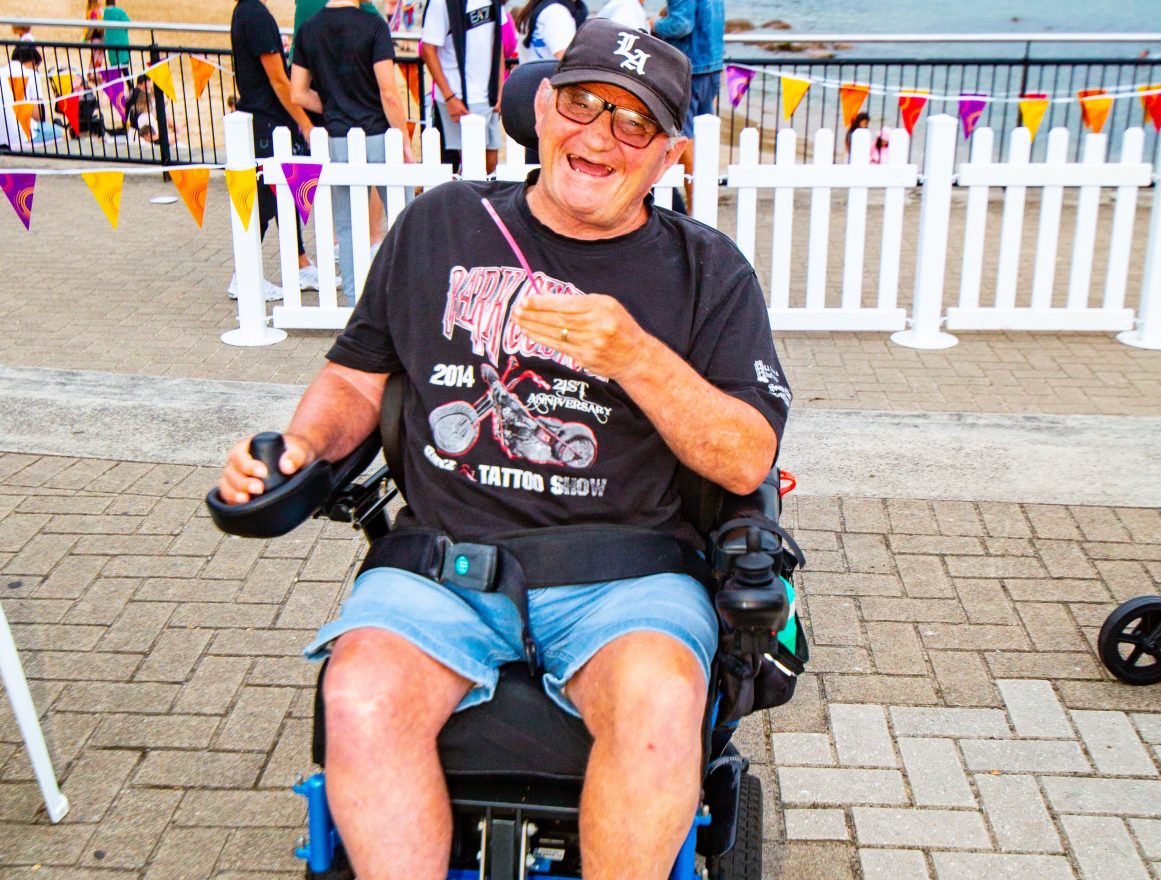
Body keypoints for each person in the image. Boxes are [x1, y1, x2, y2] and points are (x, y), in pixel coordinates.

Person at [218, 18, 789, 878]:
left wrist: (630, 353)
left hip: (629, 577)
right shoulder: (440, 224)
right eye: (581, 103)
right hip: (445, 564)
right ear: (542, 110)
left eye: (632, 122)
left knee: (661, 702)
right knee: (362, 689)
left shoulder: (708, 270)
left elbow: (747, 456)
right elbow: (354, 380)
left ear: (669, 156)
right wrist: (299, 446)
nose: (597, 135)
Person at [291, 0, 414, 305]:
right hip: (378, 134)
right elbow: (389, 92)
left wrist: (333, 106)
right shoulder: (373, 26)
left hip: (337, 138)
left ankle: (353, 301)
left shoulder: (308, 29)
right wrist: (404, 140)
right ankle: (408, 296)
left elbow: (298, 93)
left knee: (346, 227)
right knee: (405, 217)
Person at [230, 0, 325, 301]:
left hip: (268, 120)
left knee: (285, 193)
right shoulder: (255, 14)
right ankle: (243, 277)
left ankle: (299, 262)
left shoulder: (248, 11)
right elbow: (279, 80)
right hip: (266, 122)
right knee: (264, 202)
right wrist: (305, 123)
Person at [420, 0, 507, 174]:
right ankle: (460, 199)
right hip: (459, 95)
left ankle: (460, 198)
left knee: (489, 164)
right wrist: (449, 96)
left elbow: (496, 44)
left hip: (486, 94)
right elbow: (428, 49)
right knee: (475, 167)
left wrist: (500, 89)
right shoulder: (441, 4)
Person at [653, 0, 722, 211]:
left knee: (684, 135)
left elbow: (681, 24)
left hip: (690, 67)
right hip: (712, 65)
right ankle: (704, 200)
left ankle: (696, 205)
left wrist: (656, 24)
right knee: (704, 136)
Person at [4, 45, 66, 147]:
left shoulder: (2, 72)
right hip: (23, 134)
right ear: (33, 62)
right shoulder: (31, 74)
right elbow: (37, 115)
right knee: (64, 133)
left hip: (3, 134)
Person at [512, 0, 587, 62]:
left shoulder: (538, 7)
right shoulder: (556, 13)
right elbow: (568, 63)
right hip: (548, 78)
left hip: (531, 77)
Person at [102, 0, 132, 71]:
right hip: (122, 45)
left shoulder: (105, 12)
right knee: (125, 69)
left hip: (110, 46)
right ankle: (130, 82)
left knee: (115, 71)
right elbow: (129, 23)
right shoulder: (120, 12)